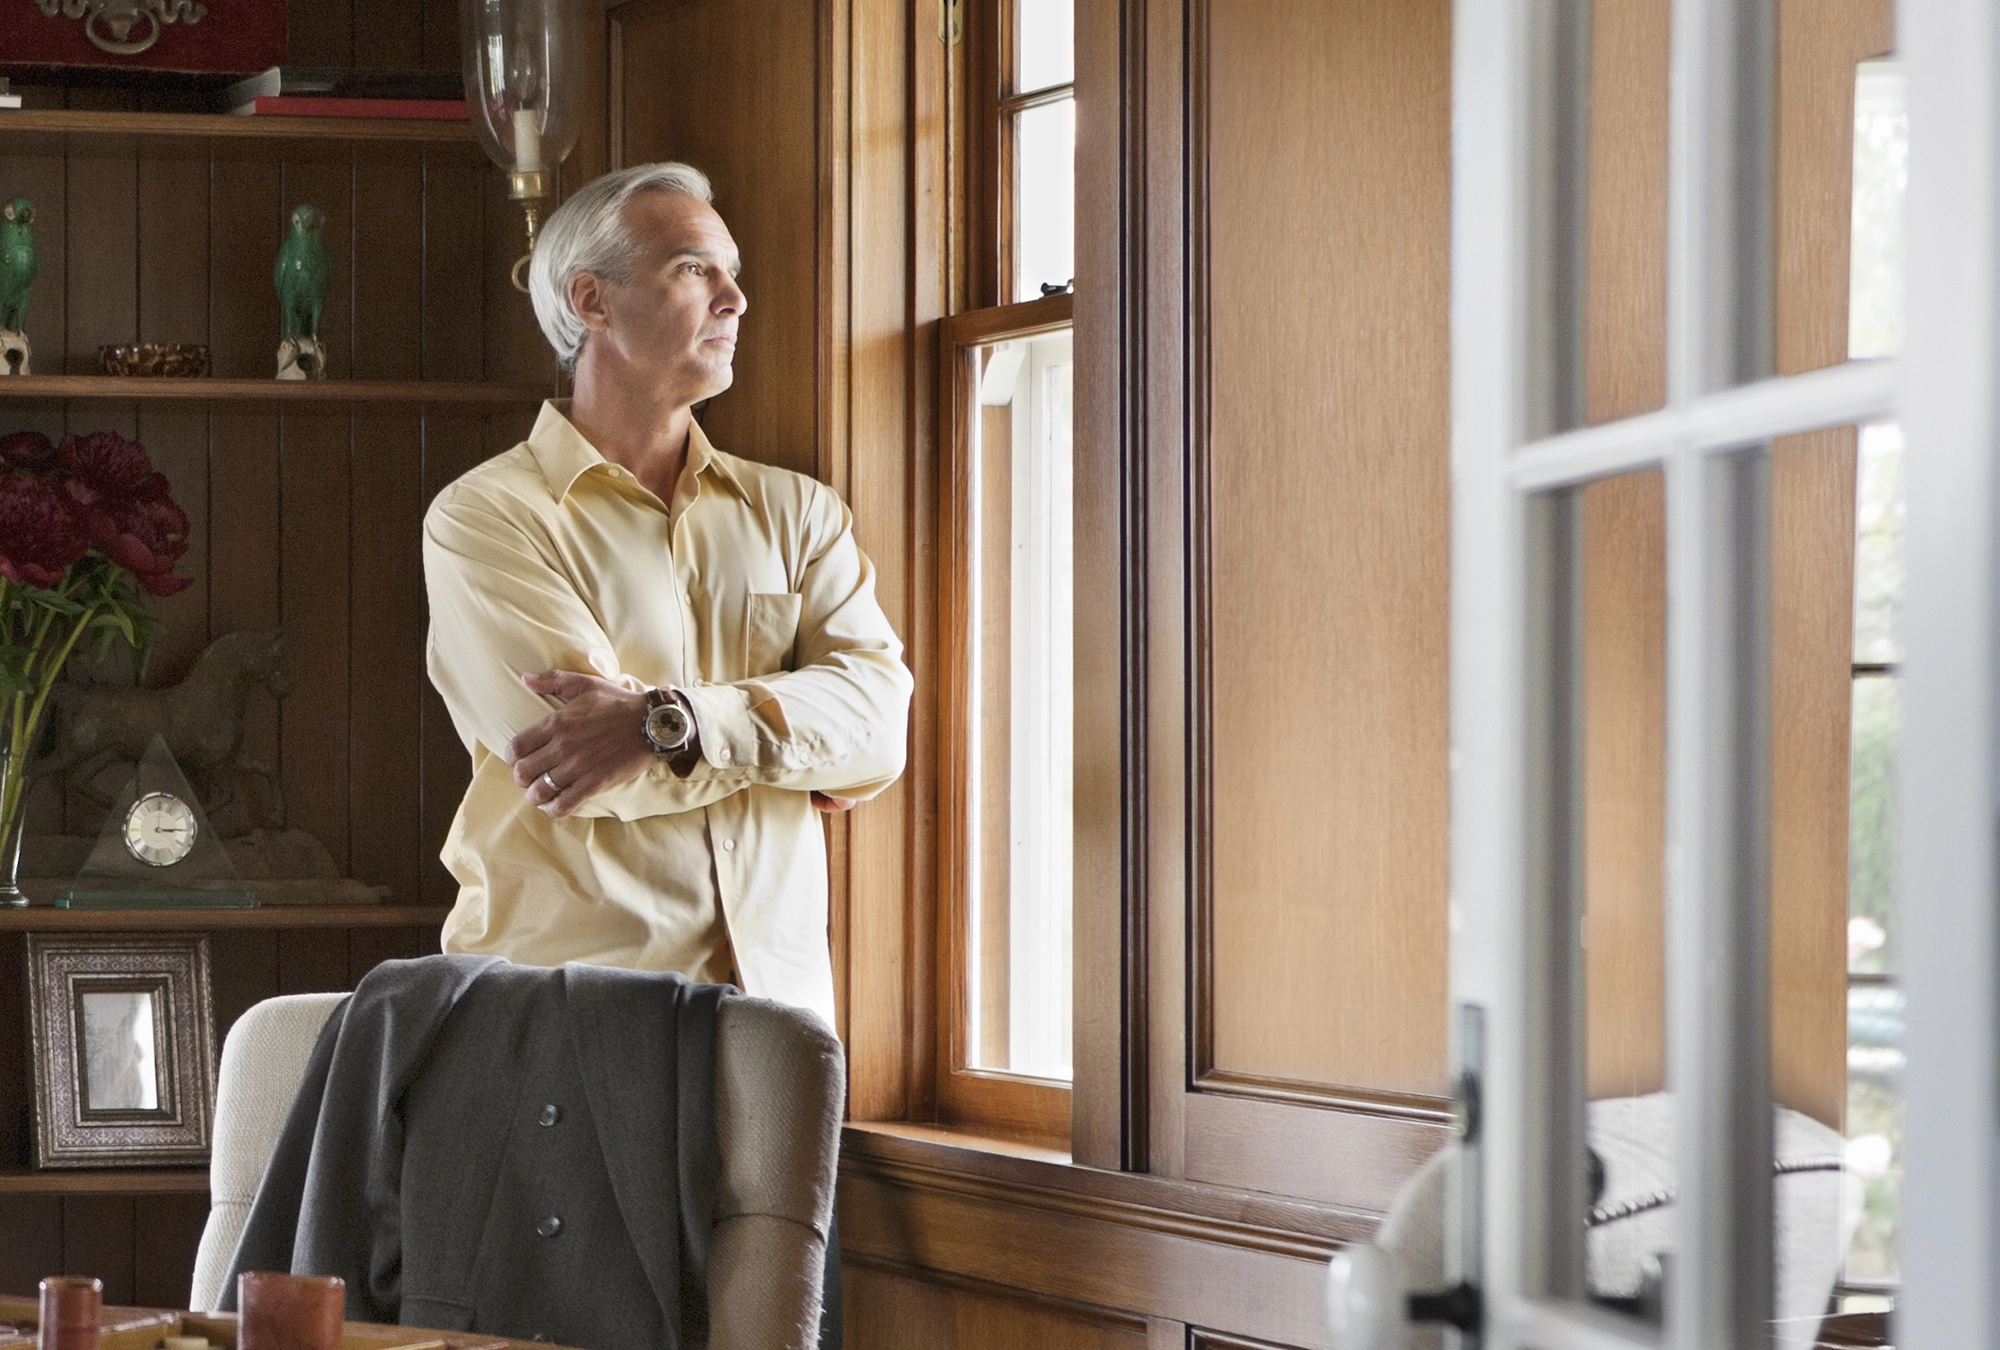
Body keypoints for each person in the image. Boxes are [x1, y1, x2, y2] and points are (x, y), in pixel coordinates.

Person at [422, 159, 911, 1036]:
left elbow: (879, 730)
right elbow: (580, 773)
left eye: (732, 272)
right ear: (591, 301)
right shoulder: (484, 518)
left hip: (780, 1025)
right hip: (563, 1018)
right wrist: (788, 736)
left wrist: (668, 723)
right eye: (694, 270)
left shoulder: (798, 513)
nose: (735, 300)